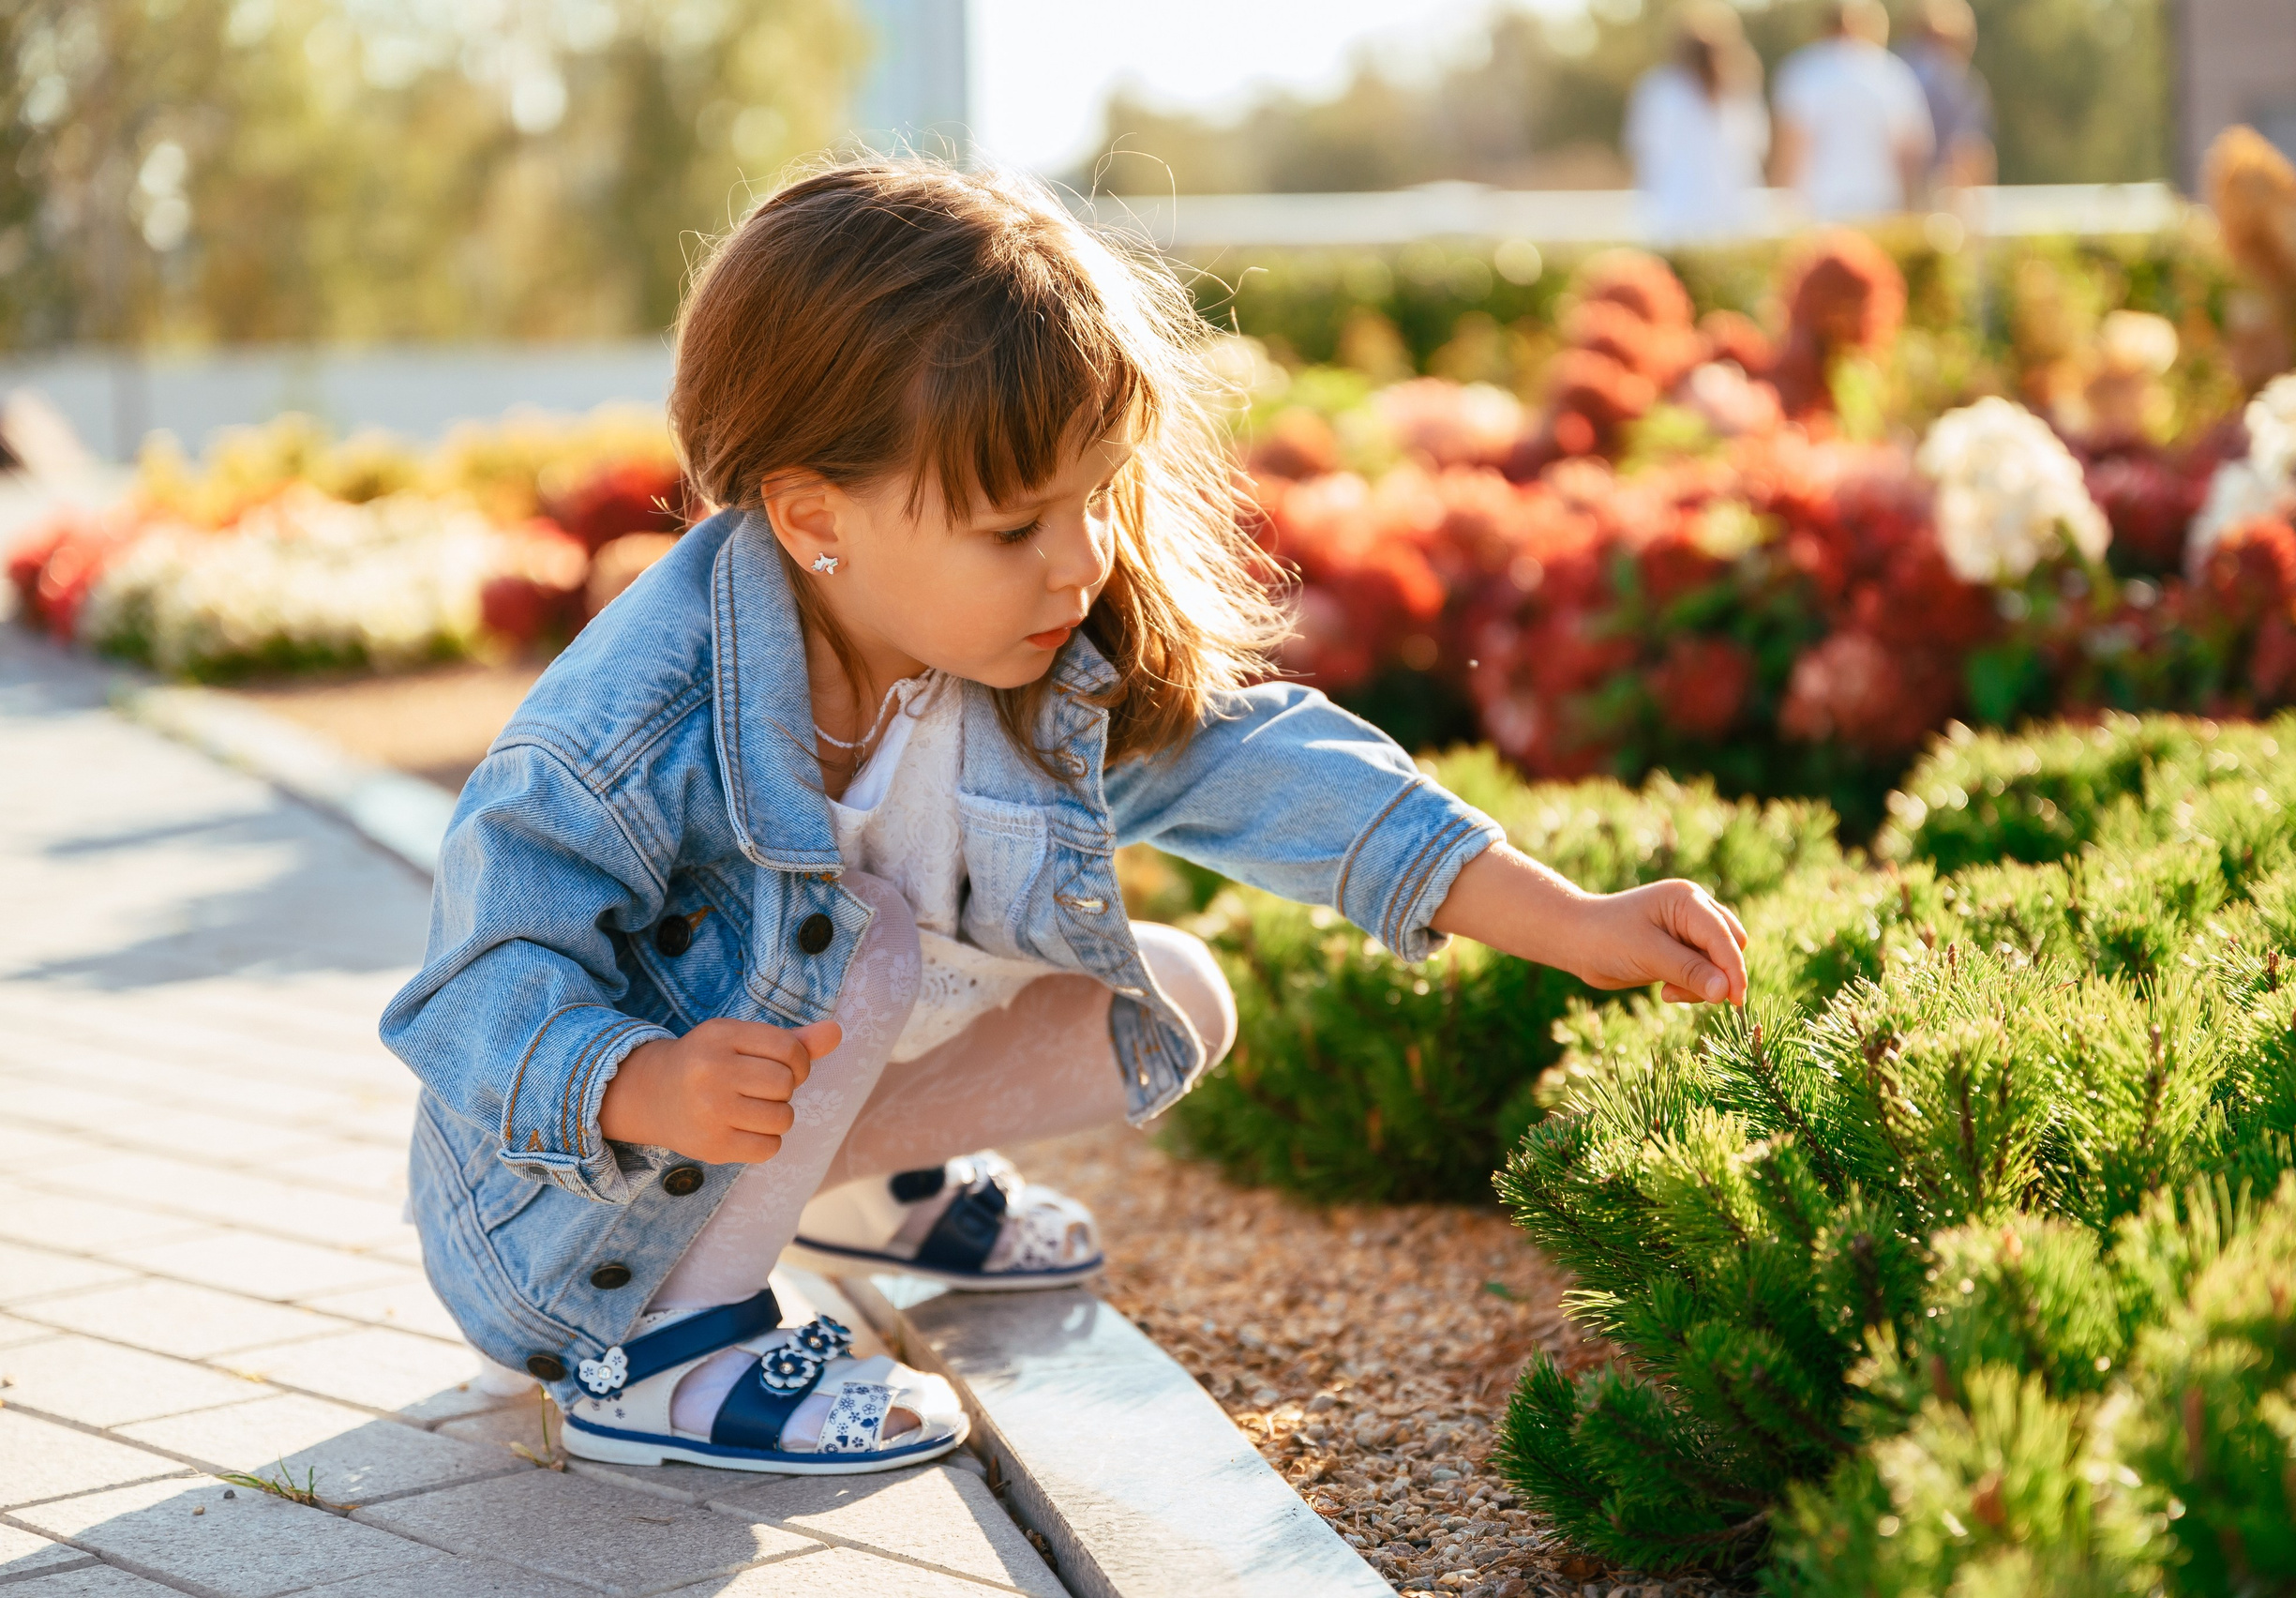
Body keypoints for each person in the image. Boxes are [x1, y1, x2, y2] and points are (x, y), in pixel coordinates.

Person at [379, 158, 1753, 1477]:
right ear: (813, 520)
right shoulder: (630, 727)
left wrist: (1568, 921)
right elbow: (475, 985)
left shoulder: (1015, 662)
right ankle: (673, 1367)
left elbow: (1278, 777)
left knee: (1170, 996)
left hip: (758, 1112)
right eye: (1014, 527)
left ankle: (857, 1198)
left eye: (1094, 498)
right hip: (565, 1238)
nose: (1083, 558)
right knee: (863, 948)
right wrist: (646, 1089)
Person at [1770, 0, 1935, 220]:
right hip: (1881, 208)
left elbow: (1788, 151)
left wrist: (1783, 210)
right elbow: (1911, 154)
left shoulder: (1801, 71)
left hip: (1815, 211)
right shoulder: (1893, 74)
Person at [1625, 1, 1769, 242]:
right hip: (1737, 222)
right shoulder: (1743, 90)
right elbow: (1759, 148)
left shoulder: (1658, 90)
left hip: (1673, 220)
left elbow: (1643, 154)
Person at [1901, 0, 1996, 194]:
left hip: (1901, 194)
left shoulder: (1894, 71)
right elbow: (1969, 151)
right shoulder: (1962, 84)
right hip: (1938, 192)